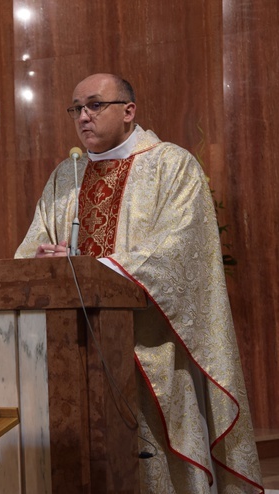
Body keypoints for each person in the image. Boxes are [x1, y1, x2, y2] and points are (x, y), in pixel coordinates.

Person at [14, 73, 263, 492]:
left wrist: (97, 266)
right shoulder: (66, 176)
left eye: (95, 105)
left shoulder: (171, 164)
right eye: (76, 108)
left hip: (152, 348)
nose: (83, 117)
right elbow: (32, 248)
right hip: (73, 354)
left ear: (128, 111)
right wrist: (46, 261)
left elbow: (180, 249)